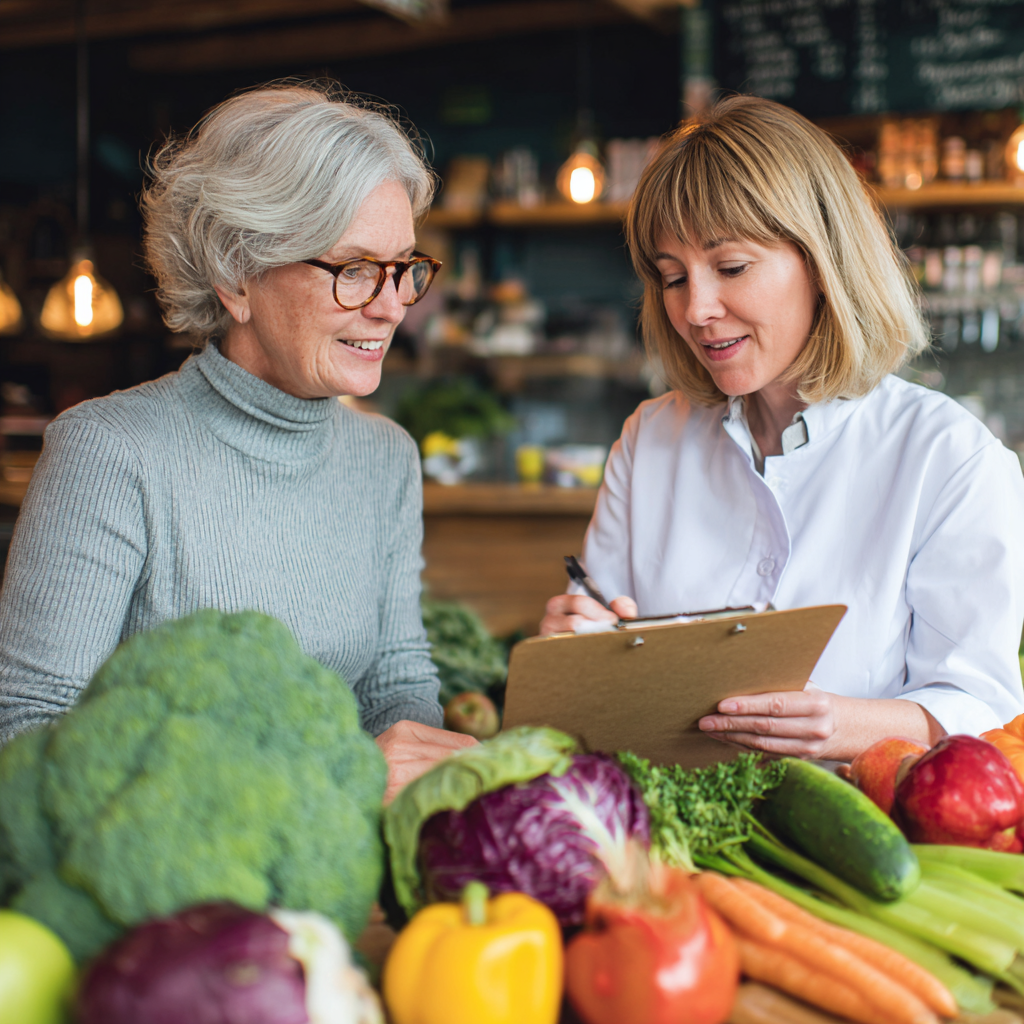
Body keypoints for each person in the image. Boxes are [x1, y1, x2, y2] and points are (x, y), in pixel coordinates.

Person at [0, 82, 474, 799]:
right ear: (235, 276)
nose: (391, 305)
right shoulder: (109, 452)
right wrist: (333, 779)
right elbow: (25, 735)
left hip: (334, 877)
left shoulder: (386, 459)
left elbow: (395, 680)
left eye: (404, 267)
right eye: (353, 270)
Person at [542, 95, 1024, 761]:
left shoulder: (950, 458)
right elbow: (591, 665)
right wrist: (573, 650)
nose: (697, 310)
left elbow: (985, 709)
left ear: (824, 263)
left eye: (731, 267)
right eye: (672, 277)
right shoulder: (650, 439)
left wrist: (847, 726)